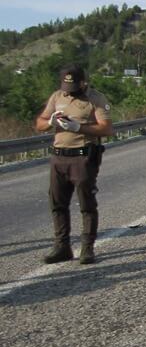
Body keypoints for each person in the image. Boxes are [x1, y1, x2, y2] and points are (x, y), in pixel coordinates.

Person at [34, 65, 113, 265]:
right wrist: (51, 122)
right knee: (57, 203)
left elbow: (106, 128)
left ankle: (87, 248)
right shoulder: (57, 97)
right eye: (65, 85)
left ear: (83, 82)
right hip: (59, 157)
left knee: (86, 203)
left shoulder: (95, 98)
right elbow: (40, 123)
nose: (68, 89)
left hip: (82, 157)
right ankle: (62, 246)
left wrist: (79, 127)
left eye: (72, 85)